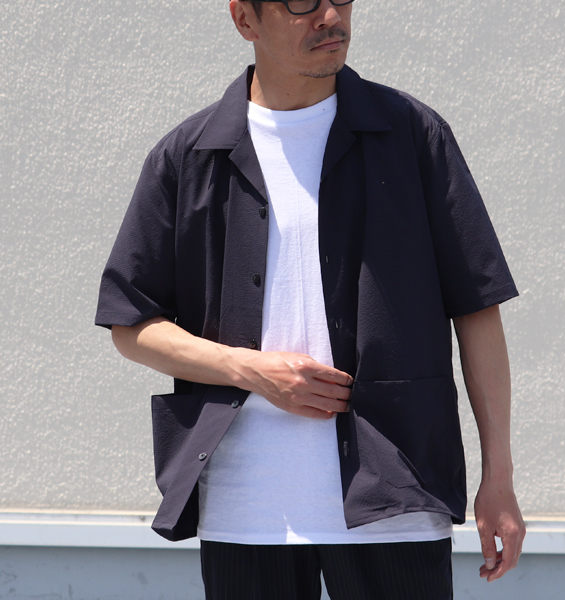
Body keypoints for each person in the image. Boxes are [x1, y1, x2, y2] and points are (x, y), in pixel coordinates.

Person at [96, 0, 526, 597]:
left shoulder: (413, 135)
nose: (329, 16)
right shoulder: (188, 156)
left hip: (396, 491)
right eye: (301, 2)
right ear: (245, 19)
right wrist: (251, 370)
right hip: (246, 506)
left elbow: (477, 308)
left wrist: (498, 477)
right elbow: (132, 323)